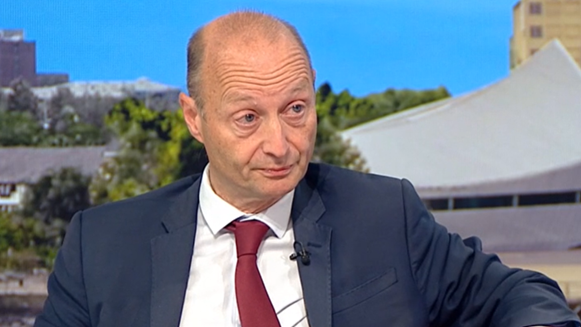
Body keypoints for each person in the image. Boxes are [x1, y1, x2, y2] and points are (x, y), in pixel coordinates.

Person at [35, 11, 579, 327]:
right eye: (248, 118)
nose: (281, 144)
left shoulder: (384, 215)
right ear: (195, 118)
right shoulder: (101, 246)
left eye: (296, 109)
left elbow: (522, 296)